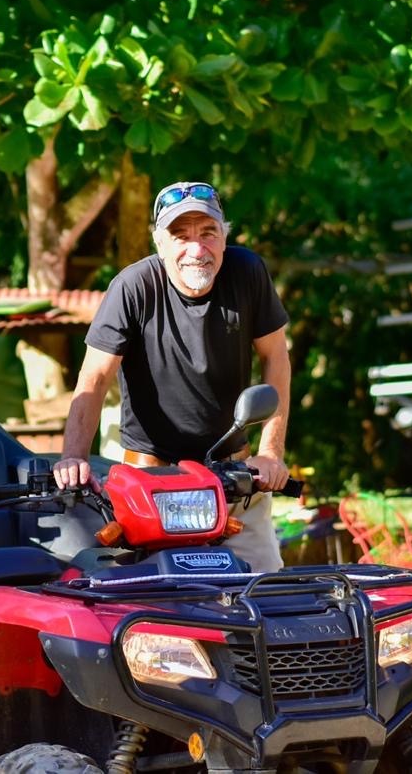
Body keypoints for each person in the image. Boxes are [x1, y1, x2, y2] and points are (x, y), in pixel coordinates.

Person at [53, 181, 291, 571]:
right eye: (180, 236)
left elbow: (276, 358)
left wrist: (270, 454)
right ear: (159, 244)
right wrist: (73, 458)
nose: (196, 249)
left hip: (234, 479)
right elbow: (94, 377)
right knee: (144, 599)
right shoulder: (132, 287)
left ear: (224, 237)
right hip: (153, 479)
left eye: (208, 233)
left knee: (265, 591)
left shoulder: (247, 272)